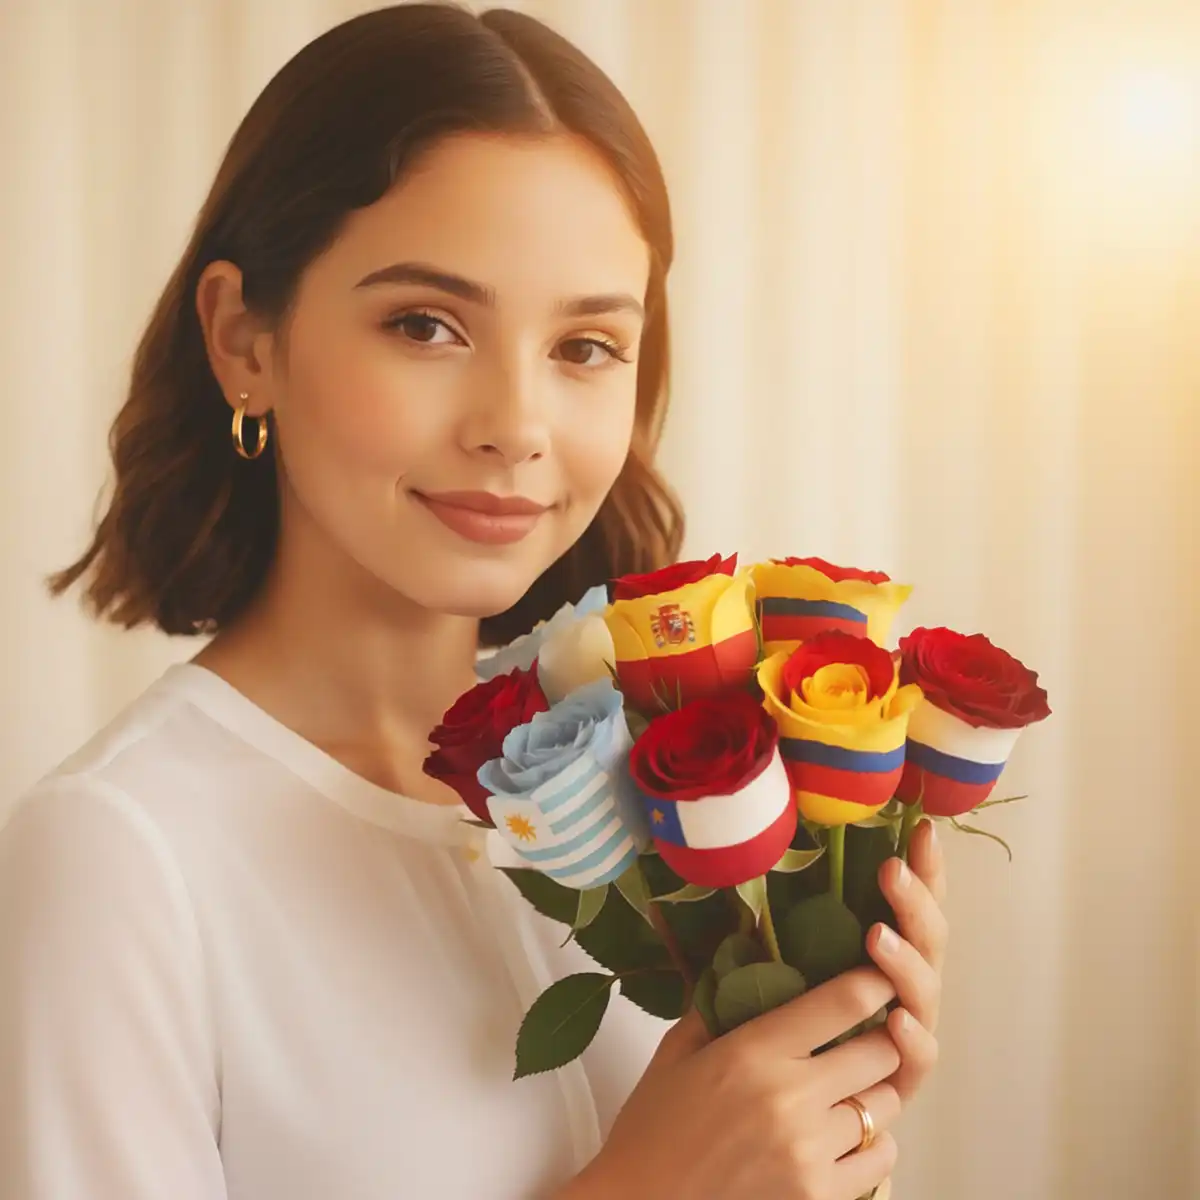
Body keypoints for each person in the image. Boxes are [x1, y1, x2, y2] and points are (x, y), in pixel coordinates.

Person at [0, 5, 947, 1198]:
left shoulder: (659, 784)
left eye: (587, 346)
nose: (515, 424)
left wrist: (827, 1102)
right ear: (244, 338)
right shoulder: (120, 854)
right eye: (426, 325)